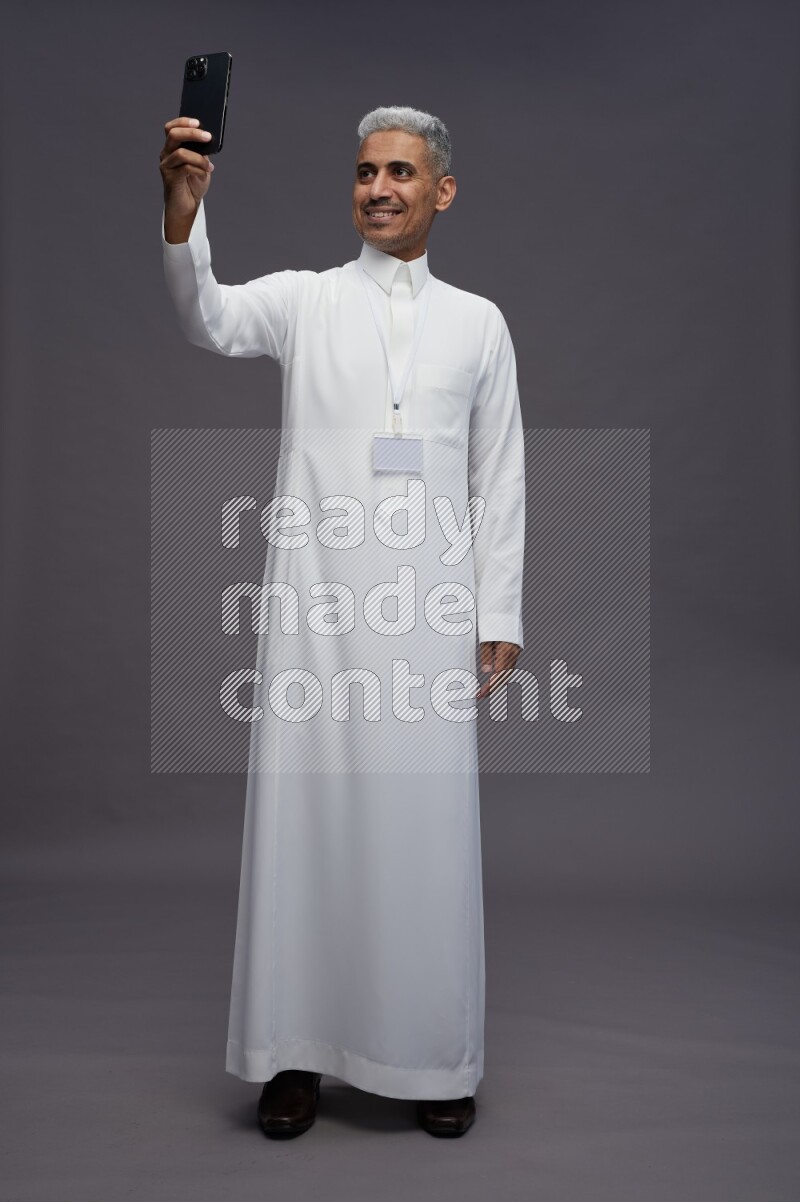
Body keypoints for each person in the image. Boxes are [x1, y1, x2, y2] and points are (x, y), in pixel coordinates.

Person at [159, 105, 525, 1138]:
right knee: (306, 830)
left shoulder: (477, 323)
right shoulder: (307, 303)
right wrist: (183, 212)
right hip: (318, 613)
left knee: (424, 835)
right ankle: (293, 1055)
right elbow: (210, 317)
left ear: (440, 192)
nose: (378, 187)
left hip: (426, 613)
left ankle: (430, 1055)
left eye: (401, 173)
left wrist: (496, 608)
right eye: (365, 171)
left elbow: (499, 474)